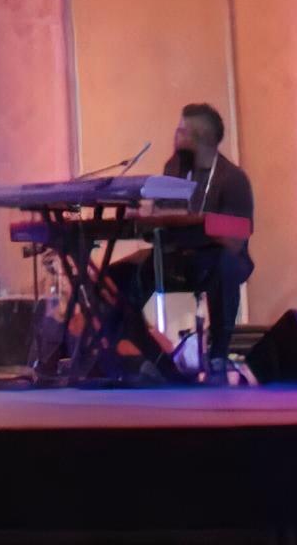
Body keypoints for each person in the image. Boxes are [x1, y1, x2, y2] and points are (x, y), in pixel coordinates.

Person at [109, 102, 255, 382]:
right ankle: (158, 361)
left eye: (180, 131)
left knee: (225, 265)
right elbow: (161, 223)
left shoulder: (232, 179)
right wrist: (144, 216)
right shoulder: (173, 169)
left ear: (201, 137)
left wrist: (194, 222)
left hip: (215, 258)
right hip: (175, 257)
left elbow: (237, 237)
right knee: (114, 279)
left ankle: (217, 357)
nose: (175, 137)